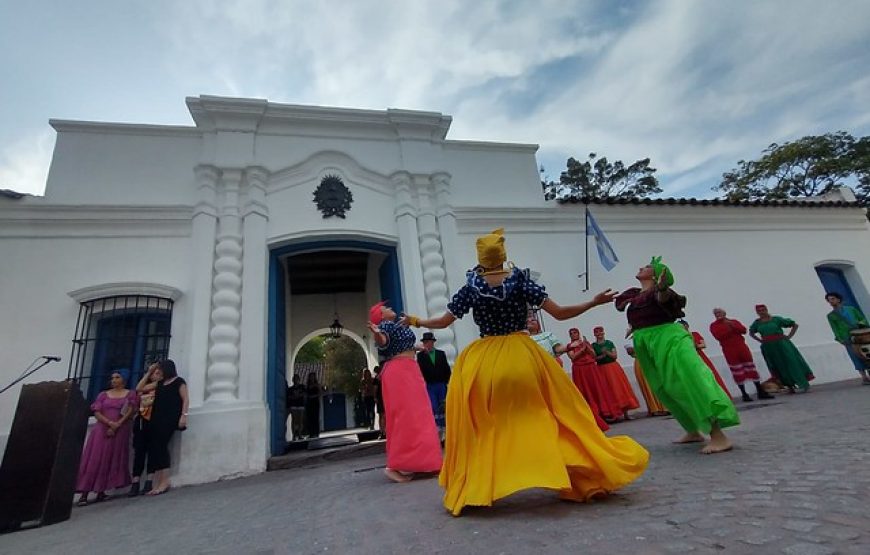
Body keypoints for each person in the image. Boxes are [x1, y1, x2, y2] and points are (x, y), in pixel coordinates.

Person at [400, 228, 648, 516]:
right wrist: (593, 302)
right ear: (503, 255)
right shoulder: (521, 282)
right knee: (555, 416)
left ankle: (477, 487)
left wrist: (415, 320)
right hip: (523, 357)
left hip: (486, 363)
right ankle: (578, 475)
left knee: (485, 426)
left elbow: (443, 322)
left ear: (481, 257)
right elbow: (560, 313)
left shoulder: (471, 287)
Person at [615, 256, 739, 454]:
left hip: (669, 338)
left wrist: (662, 287)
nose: (641, 267)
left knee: (689, 380)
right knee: (665, 387)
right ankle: (692, 429)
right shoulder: (635, 295)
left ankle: (718, 436)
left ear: (656, 275)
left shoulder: (662, 291)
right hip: (646, 342)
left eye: (647, 266)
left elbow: (662, 298)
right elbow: (641, 313)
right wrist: (633, 327)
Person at [367, 301, 442, 483]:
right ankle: (396, 465)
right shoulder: (384, 326)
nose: (390, 308)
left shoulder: (396, 325)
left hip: (408, 368)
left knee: (418, 416)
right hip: (400, 371)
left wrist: (419, 348)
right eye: (386, 308)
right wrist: (377, 334)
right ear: (381, 316)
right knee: (407, 416)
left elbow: (403, 345)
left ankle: (424, 463)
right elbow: (383, 341)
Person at [76, 370, 138, 505]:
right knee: (95, 458)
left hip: (120, 429)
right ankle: (84, 493)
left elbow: (130, 411)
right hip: (102, 429)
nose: (114, 380)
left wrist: (117, 425)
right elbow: (97, 412)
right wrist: (109, 423)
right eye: (112, 378)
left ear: (124, 379)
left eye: (117, 377)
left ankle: (101, 490)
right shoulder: (103, 395)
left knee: (110, 458)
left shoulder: (130, 394)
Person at [709, 308, 774, 401]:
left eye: (719, 312)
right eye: (715, 313)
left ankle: (760, 391)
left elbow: (743, 330)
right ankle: (744, 394)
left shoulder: (733, 321)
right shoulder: (714, 325)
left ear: (724, 313)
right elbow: (718, 336)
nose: (717, 314)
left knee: (751, 368)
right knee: (737, 371)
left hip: (742, 347)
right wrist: (729, 329)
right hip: (729, 350)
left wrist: (732, 326)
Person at [145, 359, 188, 496]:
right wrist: (149, 372)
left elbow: (185, 399)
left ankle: (165, 480)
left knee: (162, 446)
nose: (159, 371)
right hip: (157, 419)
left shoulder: (178, 381)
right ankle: (159, 482)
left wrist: (184, 415)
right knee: (157, 447)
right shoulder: (160, 383)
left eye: (160, 369)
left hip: (170, 419)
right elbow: (140, 388)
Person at [749, 305, 813, 393]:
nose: (762, 312)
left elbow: (794, 325)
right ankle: (789, 386)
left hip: (782, 344)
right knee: (778, 365)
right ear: (757, 312)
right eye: (759, 311)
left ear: (767, 310)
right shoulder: (757, 323)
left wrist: (789, 336)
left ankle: (803, 383)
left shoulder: (776, 319)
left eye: (763, 310)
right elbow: (751, 332)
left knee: (791, 362)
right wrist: (761, 341)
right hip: (769, 347)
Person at [564, 328, 612, 431]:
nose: (573, 335)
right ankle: (591, 414)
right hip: (579, 369)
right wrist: (582, 349)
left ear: (579, 333)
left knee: (596, 389)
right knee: (584, 391)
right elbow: (572, 357)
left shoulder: (585, 343)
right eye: (571, 333)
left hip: (591, 367)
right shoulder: (570, 346)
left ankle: (603, 412)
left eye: (575, 332)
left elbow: (594, 355)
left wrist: (587, 346)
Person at [591, 326, 640, 421]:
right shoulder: (593, 346)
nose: (599, 334)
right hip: (601, 369)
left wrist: (607, 353)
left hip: (613, 368)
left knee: (619, 389)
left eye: (601, 332)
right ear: (595, 334)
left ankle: (626, 413)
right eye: (597, 333)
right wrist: (603, 355)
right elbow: (594, 358)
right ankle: (614, 414)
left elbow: (614, 356)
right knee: (608, 391)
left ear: (603, 333)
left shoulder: (609, 343)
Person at [129, 363, 163, 496]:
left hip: (155, 421)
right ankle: (135, 482)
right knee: (139, 452)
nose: (157, 375)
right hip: (142, 422)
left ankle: (149, 481)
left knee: (153, 451)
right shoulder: (146, 388)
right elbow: (139, 388)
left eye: (159, 373)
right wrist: (148, 373)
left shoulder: (161, 387)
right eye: (156, 373)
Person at [824, 292, 870, 384]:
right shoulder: (831, 316)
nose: (831, 302)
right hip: (847, 337)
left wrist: (861, 324)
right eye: (829, 300)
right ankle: (864, 377)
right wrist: (840, 338)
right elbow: (835, 328)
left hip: (860, 336)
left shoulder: (851, 309)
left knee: (866, 354)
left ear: (838, 299)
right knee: (855, 356)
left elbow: (863, 319)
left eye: (832, 299)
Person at [679, 320, 731, 397]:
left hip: (700, 357)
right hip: (689, 359)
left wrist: (692, 346)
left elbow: (703, 345)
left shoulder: (694, 334)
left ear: (686, 326)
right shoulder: (680, 337)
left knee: (711, 375)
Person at [416, 332, 452, 438]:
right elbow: (420, 371)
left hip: (441, 384)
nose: (427, 344)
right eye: (425, 342)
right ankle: (437, 431)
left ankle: (446, 430)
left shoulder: (441, 354)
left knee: (443, 406)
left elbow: (446, 368)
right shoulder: (421, 356)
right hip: (430, 385)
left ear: (433, 342)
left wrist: (448, 381)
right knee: (434, 406)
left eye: (429, 342)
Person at [624, 342, 669, 417]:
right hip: (641, 363)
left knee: (658, 385)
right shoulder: (632, 341)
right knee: (647, 386)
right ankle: (654, 408)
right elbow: (630, 352)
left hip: (651, 362)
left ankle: (665, 407)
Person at [286, 374, 306, 440]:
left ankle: (300, 434)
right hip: (293, 406)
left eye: (297, 379)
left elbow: (305, 394)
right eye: (294, 379)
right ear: (293, 380)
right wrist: (296, 396)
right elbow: (289, 397)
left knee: (300, 421)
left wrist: (297, 396)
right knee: (294, 420)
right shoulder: (290, 389)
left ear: (299, 380)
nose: (296, 380)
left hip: (301, 405)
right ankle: (294, 435)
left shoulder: (302, 387)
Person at [304, 373, 322, 438]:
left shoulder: (317, 385)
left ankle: (316, 433)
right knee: (310, 418)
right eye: (311, 377)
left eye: (313, 377)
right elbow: (305, 394)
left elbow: (320, 393)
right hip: (309, 403)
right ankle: (311, 433)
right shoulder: (307, 386)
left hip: (315, 402)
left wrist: (314, 396)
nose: (312, 378)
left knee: (315, 417)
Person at [372, 365, 386, 438]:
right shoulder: (377, 379)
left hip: (382, 398)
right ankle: (382, 431)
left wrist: (375, 397)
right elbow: (375, 389)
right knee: (382, 415)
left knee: (382, 415)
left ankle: (383, 431)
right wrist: (375, 397)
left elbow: (375, 389)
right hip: (381, 398)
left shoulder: (378, 378)